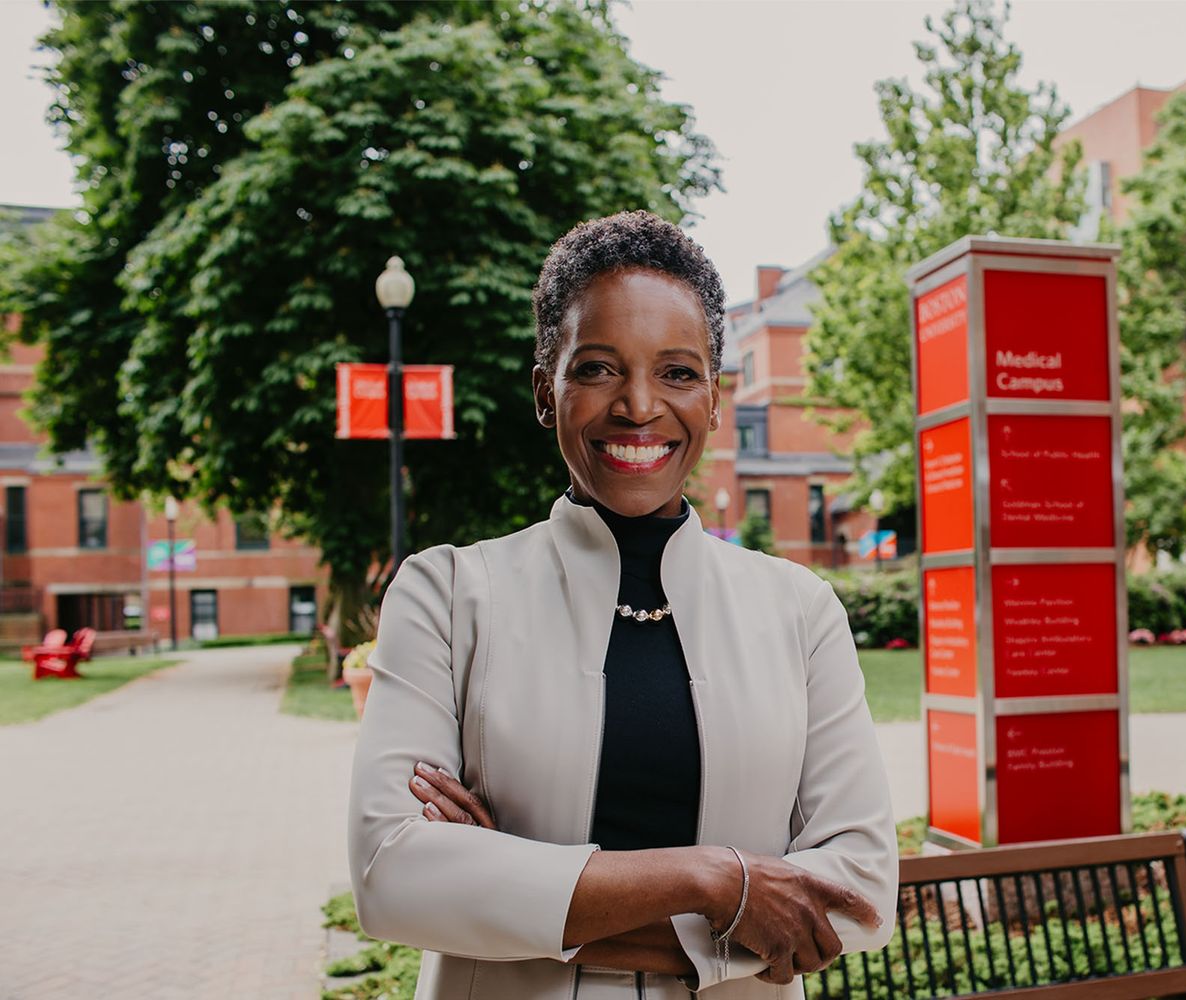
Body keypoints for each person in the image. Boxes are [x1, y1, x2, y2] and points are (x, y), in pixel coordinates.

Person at [347, 210, 898, 999]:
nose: (639, 406)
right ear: (547, 390)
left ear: (714, 398)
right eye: (598, 368)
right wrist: (722, 881)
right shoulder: (448, 595)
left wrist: (519, 887)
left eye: (677, 372)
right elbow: (392, 876)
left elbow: (860, 891)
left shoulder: (799, 611)